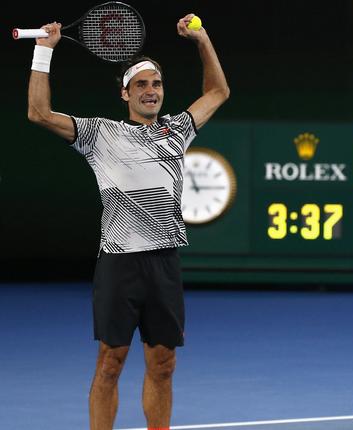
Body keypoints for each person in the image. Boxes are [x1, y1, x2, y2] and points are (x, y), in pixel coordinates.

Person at [26, 13, 229, 430]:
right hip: (120, 264)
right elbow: (39, 113)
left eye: (156, 84)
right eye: (141, 84)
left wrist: (201, 38)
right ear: (125, 94)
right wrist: (43, 52)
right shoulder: (99, 134)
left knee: (164, 363)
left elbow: (218, 91)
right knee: (110, 363)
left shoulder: (178, 130)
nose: (151, 91)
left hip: (165, 262)